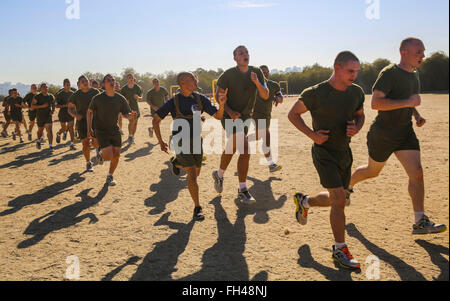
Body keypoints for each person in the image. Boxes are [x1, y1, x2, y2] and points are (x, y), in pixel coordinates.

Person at [349, 38, 447, 235]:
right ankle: (348, 185)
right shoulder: (389, 73)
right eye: (418, 52)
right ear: (404, 52)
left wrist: (417, 115)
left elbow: (409, 102)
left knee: (417, 172)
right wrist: (409, 102)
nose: (423, 55)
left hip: (405, 133)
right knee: (372, 171)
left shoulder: (415, 75)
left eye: (423, 51)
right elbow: (376, 103)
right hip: (383, 134)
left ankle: (419, 220)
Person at [288, 51, 365, 270]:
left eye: (357, 71)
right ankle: (340, 250)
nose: (354, 76)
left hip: (345, 153)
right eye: (351, 71)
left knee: (339, 199)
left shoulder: (356, 92)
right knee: (340, 199)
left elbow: (360, 114)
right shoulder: (316, 93)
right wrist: (312, 135)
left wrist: (357, 127)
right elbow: (293, 115)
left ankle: (305, 202)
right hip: (324, 153)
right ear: (337, 67)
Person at [153, 72, 226, 221]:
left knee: (196, 173)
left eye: (194, 78)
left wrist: (222, 105)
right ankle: (197, 208)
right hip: (180, 140)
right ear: (182, 83)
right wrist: (160, 141)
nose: (195, 80)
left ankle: (177, 162)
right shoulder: (173, 101)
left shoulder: (200, 98)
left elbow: (218, 116)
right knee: (192, 175)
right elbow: (155, 120)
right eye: (191, 79)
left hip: (196, 141)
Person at [211, 45, 269, 204]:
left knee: (232, 147)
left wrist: (257, 82)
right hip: (229, 116)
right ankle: (242, 190)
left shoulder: (256, 72)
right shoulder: (228, 75)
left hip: (244, 116)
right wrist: (229, 111)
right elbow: (219, 96)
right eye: (241, 53)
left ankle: (219, 174)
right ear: (235, 58)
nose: (245, 55)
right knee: (244, 149)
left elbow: (265, 94)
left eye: (247, 52)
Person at [87, 74, 137, 186]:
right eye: (109, 80)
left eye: (113, 80)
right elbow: (89, 112)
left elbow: (126, 114)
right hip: (101, 130)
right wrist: (88, 128)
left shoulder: (120, 98)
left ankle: (110, 176)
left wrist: (131, 115)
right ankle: (100, 152)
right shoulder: (98, 98)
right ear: (103, 84)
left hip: (114, 130)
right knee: (109, 155)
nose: (112, 82)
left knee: (117, 155)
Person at [250, 65, 283, 172]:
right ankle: (271, 164)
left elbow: (280, 97)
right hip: (255, 114)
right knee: (265, 136)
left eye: (267, 72)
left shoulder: (274, 85)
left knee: (260, 136)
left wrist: (278, 98)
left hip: (267, 114)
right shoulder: (253, 85)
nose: (266, 74)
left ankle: (243, 140)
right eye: (263, 73)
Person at [68, 75, 100, 172]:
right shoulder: (76, 95)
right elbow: (70, 108)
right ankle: (88, 163)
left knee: (95, 143)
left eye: (86, 80)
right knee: (85, 143)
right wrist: (75, 115)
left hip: (95, 121)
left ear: (89, 82)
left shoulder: (95, 92)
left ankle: (98, 149)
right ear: (79, 84)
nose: (85, 82)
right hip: (82, 122)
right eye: (82, 81)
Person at [31, 83, 56, 152]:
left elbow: (54, 103)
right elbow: (32, 106)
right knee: (40, 130)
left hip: (48, 116)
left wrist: (53, 110)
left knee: (49, 130)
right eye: (44, 87)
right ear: (41, 89)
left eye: (46, 87)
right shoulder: (37, 97)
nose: (45, 88)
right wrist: (42, 106)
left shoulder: (51, 96)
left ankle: (51, 146)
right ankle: (38, 141)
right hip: (40, 116)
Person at [120, 74, 143, 144]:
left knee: (135, 123)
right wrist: (125, 101)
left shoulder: (137, 87)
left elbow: (141, 97)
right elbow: (120, 98)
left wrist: (138, 97)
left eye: (132, 77)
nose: (131, 79)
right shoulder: (124, 88)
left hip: (135, 107)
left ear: (134, 78)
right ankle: (130, 136)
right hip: (127, 108)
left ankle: (132, 136)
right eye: (129, 78)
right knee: (131, 121)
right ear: (127, 79)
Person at [55, 79, 76, 150]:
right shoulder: (60, 94)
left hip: (71, 113)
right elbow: (56, 105)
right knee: (64, 128)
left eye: (69, 84)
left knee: (71, 127)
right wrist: (65, 105)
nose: (69, 86)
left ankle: (72, 144)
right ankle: (58, 133)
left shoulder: (73, 93)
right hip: (62, 113)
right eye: (67, 85)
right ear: (64, 85)